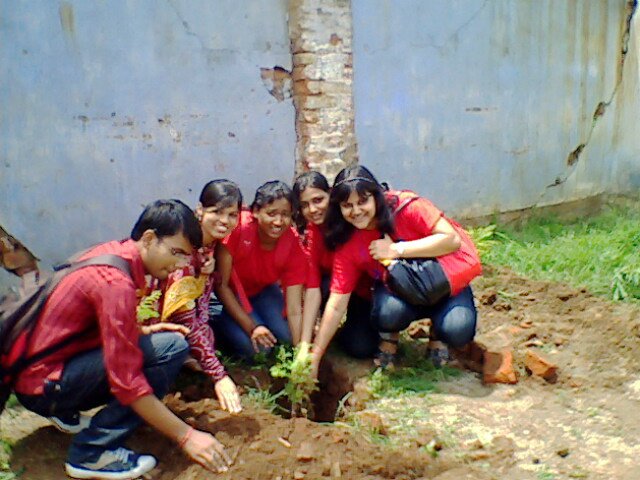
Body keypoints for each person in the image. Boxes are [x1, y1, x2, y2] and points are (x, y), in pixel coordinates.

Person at [9, 200, 232, 479]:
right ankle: (91, 452)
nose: (178, 265)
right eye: (176, 252)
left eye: (185, 257)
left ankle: (67, 412)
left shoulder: (114, 253)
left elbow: (91, 322)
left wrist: (139, 331)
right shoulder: (116, 283)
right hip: (43, 386)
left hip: (39, 370)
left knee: (165, 342)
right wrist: (186, 435)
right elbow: (127, 382)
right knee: (169, 350)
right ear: (148, 238)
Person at [310, 165, 481, 377]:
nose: (356, 211)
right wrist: (315, 357)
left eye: (363, 201)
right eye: (347, 205)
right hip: (401, 292)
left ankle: (438, 334)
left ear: (376, 197)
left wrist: (397, 250)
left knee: (458, 330)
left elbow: (452, 240)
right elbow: (337, 303)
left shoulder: (407, 207)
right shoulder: (349, 242)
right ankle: (390, 336)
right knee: (386, 315)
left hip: (445, 283)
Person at [147, 180, 243, 414]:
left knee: (207, 334)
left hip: (182, 320)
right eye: (216, 212)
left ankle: (187, 361)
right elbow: (186, 320)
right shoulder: (184, 252)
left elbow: (202, 305)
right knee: (181, 342)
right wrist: (219, 375)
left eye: (232, 214)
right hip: (150, 326)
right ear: (200, 210)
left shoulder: (209, 246)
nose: (225, 220)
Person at [212, 181, 307, 359]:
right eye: (271, 214)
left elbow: (294, 308)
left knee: (287, 336)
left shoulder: (292, 244)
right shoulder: (238, 229)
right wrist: (252, 327)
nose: (278, 222)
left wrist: (300, 351)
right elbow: (221, 285)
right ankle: (218, 324)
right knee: (259, 349)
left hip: (262, 291)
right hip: (229, 295)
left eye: (285, 215)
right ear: (256, 211)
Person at [292, 171, 376, 355]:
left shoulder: (353, 221)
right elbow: (312, 286)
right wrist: (304, 343)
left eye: (318, 200)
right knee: (322, 284)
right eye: (305, 205)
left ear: (330, 195)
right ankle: (327, 329)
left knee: (361, 348)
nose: (312, 209)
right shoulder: (314, 230)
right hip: (335, 291)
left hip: (363, 292)